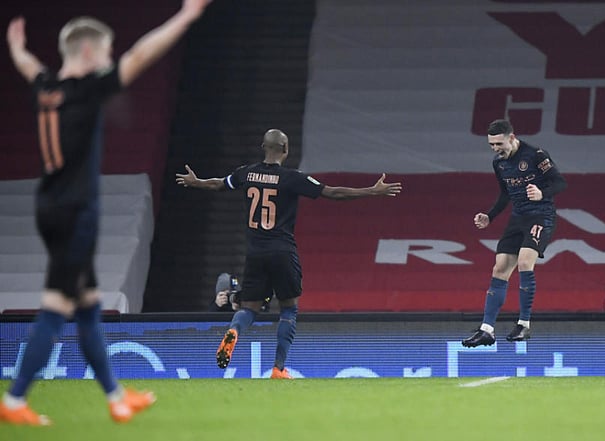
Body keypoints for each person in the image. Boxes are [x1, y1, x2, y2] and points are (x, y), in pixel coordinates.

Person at [0, 1, 211, 426]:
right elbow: (140, 56)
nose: (111, 58)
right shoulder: (85, 90)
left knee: (89, 308)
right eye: (106, 51)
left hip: (53, 207)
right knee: (57, 307)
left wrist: (16, 47)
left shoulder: (46, 86)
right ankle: (16, 398)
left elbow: (28, 66)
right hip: (75, 211)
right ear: (88, 53)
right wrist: (186, 17)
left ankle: (116, 398)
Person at [176, 129, 401, 379]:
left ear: (263, 146)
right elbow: (332, 192)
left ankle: (234, 331)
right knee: (288, 309)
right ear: (285, 150)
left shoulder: (245, 173)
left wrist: (196, 182)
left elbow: (220, 183)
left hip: (255, 253)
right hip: (282, 250)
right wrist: (371, 191)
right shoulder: (292, 178)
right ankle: (278, 368)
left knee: (249, 308)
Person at [461, 119, 567, 347]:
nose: (495, 149)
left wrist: (542, 193)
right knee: (499, 268)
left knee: (525, 262)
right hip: (517, 219)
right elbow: (504, 194)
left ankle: (524, 325)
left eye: (499, 144)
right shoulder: (499, 164)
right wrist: (490, 216)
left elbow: (559, 182)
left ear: (512, 137)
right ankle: (487, 330)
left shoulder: (536, 155)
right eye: (491, 145)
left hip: (541, 216)